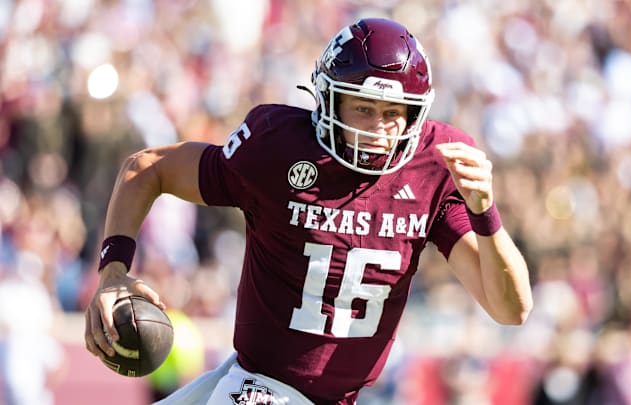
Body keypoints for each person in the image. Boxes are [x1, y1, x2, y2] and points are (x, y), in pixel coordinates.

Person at [84, 18, 533, 405]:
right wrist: (112, 271)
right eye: (363, 108)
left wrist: (485, 215)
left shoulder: (435, 167)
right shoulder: (278, 148)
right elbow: (147, 169)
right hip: (257, 384)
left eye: (394, 112)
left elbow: (510, 309)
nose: (379, 129)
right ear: (328, 100)